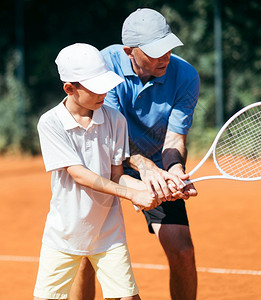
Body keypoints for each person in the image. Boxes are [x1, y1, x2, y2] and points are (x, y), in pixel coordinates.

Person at [70, 8, 200, 300]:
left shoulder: (185, 76)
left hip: (155, 164)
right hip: (103, 163)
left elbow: (175, 137)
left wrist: (174, 169)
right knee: (87, 255)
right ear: (129, 51)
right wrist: (143, 167)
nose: (165, 55)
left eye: (167, 46)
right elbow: (110, 135)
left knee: (183, 252)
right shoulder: (103, 67)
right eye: (155, 51)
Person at [33, 42, 177, 300]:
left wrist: (153, 187)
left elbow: (116, 174)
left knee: (128, 297)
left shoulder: (114, 119)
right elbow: (79, 174)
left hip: (108, 234)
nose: (105, 93)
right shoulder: (51, 123)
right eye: (96, 88)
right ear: (70, 88)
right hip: (64, 234)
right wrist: (131, 195)